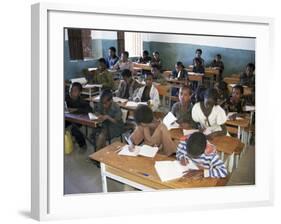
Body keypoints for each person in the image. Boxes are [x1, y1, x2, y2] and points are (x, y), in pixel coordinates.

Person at [65, 82, 92, 151]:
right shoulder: (66, 97)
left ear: (79, 93)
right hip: (67, 118)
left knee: (74, 129)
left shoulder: (81, 101)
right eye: (70, 90)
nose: (71, 92)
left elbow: (90, 110)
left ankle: (82, 144)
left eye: (75, 91)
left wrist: (76, 109)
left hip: (78, 120)